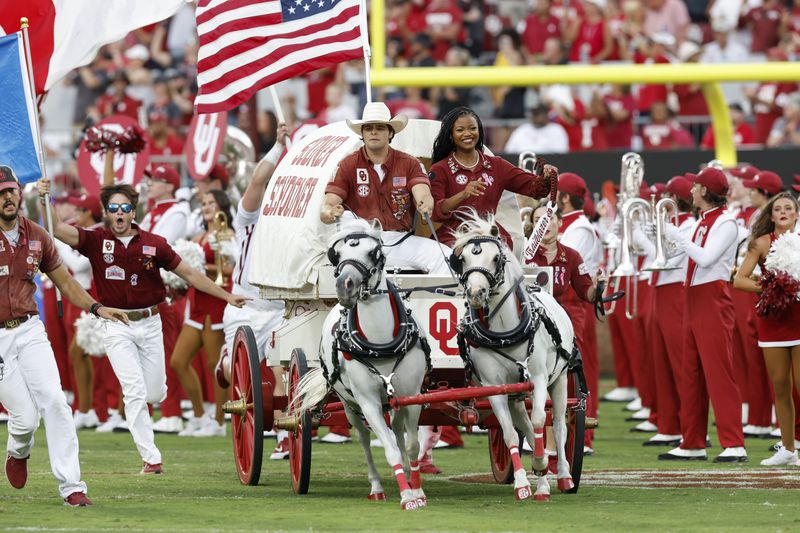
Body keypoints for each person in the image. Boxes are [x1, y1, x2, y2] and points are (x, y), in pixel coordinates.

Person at [37, 179, 249, 474]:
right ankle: (151, 457)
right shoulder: (96, 240)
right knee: (134, 391)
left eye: (125, 207)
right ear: (107, 213)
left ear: (133, 211)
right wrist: (45, 199)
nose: (120, 213)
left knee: (153, 393)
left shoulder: (154, 243)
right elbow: (58, 230)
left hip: (150, 322)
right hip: (115, 323)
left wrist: (227, 295)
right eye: (114, 208)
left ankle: (153, 411)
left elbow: (190, 274)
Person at [1, 165, 128, 506]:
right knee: (24, 418)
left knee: (56, 402)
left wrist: (98, 308)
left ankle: (72, 486)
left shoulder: (38, 235)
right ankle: (17, 451)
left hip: (29, 329)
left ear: (18, 194)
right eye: (1, 193)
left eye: (11, 190)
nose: (8, 197)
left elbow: (67, 283)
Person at [658, 167, 746, 462]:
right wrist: (662, 239)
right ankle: (692, 441)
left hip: (713, 298)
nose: (692, 191)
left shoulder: (727, 222)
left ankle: (734, 443)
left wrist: (678, 238)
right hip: (693, 296)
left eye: (696, 186)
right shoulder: (700, 223)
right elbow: (679, 258)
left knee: (719, 373)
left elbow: (707, 258)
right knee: (691, 373)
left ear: (706, 191)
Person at [215, 125, 290, 459]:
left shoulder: (291, 225)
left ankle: (285, 431)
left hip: (277, 308)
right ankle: (227, 363)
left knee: (283, 366)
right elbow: (257, 181)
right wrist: (277, 148)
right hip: (244, 304)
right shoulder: (248, 217)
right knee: (237, 372)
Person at [320, 102, 449, 275]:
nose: (374, 132)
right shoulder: (348, 164)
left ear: (390, 133)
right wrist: (330, 212)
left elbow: (423, 192)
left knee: (444, 257)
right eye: (368, 128)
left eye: (380, 128)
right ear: (363, 134)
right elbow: (327, 206)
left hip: (400, 239)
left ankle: (431, 300)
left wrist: (425, 203)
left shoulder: (409, 163)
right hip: (360, 241)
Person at [734, 193, 800, 466]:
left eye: (789, 208)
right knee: (781, 386)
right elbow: (739, 280)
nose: (783, 212)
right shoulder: (761, 242)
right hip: (772, 322)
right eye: (778, 209)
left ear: (796, 215)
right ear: (771, 216)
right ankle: (788, 449)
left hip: (799, 319)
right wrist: (771, 287)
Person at [429, 106, 551, 249]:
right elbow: (435, 212)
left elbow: (535, 188)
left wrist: (548, 177)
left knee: (506, 256)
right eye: (460, 130)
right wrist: (463, 194)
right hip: (453, 236)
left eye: (472, 128)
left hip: (491, 232)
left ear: (479, 131)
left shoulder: (496, 165)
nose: (468, 133)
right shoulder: (440, 169)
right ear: (451, 135)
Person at [172, 190, 235, 437]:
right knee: (178, 361)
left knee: (214, 364)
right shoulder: (198, 236)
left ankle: (219, 421)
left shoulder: (227, 234)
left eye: (212, 203)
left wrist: (198, 268)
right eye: (204, 203)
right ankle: (199, 416)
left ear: (221, 206)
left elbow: (230, 268)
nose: (207, 206)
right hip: (196, 305)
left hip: (217, 302)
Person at [642, 176, 695, 447]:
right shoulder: (676, 224)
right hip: (662, 291)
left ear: (674, 200)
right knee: (661, 362)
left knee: (680, 363)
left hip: (676, 291)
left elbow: (667, 259)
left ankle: (693, 429)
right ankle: (669, 425)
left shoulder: (689, 225)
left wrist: (641, 236)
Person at [139, 164, 191, 434]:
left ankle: (173, 412)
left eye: (157, 180)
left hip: (168, 292)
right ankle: (163, 408)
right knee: (154, 354)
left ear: (170, 185)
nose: (151, 185)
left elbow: (160, 244)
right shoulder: (152, 212)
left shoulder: (177, 211)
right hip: (151, 291)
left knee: (168, 353)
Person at [554, 172, 602, 454]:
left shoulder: (580, 227)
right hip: (562, 302)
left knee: (575, 371)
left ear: (564, 198)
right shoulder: (567, 224)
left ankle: (580, 438)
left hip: (573, 302)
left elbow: (565, 262)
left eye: (555, 194)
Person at [503, 104, 569, 155]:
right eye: (533, 114)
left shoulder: (556, 130)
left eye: (537, 114)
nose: (534, 116)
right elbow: (509, 150)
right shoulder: (523, 129)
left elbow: (561, 154)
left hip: (546, 166)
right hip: (522, 166)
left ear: (546, 114)